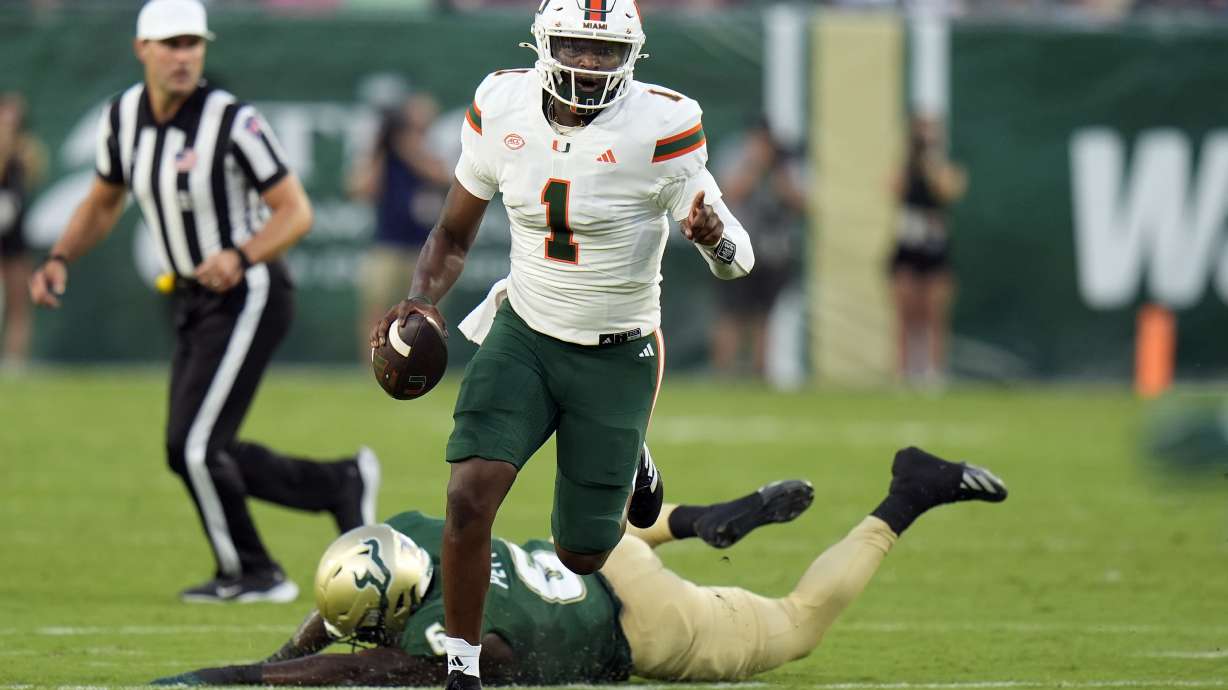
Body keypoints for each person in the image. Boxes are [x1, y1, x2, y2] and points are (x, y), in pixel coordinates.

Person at [369, 3, 756, 688]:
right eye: (577, 46)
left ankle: (633, 456)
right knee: (468, 496)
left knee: (581, 554)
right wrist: (422, 297)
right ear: (545, 44)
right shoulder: (503, 105)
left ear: (631, 56)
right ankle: (461, 668)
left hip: (616, 351)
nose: (589, 64)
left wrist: (713, 238)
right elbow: (453, 233)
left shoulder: (660, 126)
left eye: (605, 51)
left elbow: (740, 260)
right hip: (524, 332)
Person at [28, 0, 380, 603]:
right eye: (171, 44)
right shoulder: (123, 117)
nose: (184, 56)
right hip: (193, 299)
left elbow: (295, 212)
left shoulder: (231, 121)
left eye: (193, 43)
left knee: (193, 446)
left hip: (250, 292)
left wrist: (240, 255)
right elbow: (104, 200)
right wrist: (61, 256)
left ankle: (254, 572)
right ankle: (337, 483)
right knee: (195, 447)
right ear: (142, 49)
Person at [150, 446, 1008, 686]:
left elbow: (353, 667)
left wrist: (248, 676)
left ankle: (908, 494)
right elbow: (344, 611)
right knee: (601, 537)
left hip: (645, 624)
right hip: (598, 556)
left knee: (798, 625)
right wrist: (283, 650)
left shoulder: (450, 641)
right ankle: (693, 520)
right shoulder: (412, 533)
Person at [348, 92, 450, 360]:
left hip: (425, 247)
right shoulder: (384, 155)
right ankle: (374, 363)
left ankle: (424, 363)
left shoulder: (433, 147)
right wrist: (381, 149)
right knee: (377, 308)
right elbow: (361, 189)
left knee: (425, 313)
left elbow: (443, 177)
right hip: (388, 243)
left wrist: (408, 148)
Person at [710, 119, 805, 378]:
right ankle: (724, 374)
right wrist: (753, 166)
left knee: (764, 317)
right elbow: (730, 193)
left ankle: (758, 374)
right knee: (731, 314)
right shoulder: (736, 155)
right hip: (735, 251)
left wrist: (779, 176)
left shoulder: (784, 164)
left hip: (772, 253)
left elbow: (800, 201)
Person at [889, 115, 968, 387]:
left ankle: (934, 372)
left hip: (935, 249)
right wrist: (911, 160)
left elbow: (947, 190)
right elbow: (892, 189)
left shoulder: (942, 168)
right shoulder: (905, 169)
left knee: (934, 313)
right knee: (905, 313)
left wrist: (930, 162)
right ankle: (904, 371)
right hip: (908, 247)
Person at [0, 92, 47, 370]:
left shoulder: (28, 150)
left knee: (19, 302)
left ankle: (15, 364)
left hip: (16, 235)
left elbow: (32, 176)